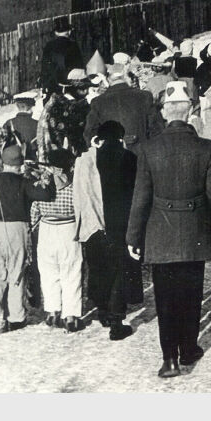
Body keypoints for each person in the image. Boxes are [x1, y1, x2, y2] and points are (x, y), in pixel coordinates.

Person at [126, 81, 211, 379]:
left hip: (160, 233)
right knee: (191, 292)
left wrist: (133, 236)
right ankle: (188, 347)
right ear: (190, 111)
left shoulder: (148, 148)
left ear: (164, 112)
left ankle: (169, 358)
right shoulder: (207, 149)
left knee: (165, 297)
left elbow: (141, 197)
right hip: (195, 231)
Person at [0, 144, 53, 333]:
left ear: (2, 163)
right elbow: (46, 194)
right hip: (17, 229)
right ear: (20, 164)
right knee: (16, 271)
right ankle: (16, 317)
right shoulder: (24, 182)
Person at [73, 121, 138, 340]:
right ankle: (117, 320)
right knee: (119, 270)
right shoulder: (129, 158)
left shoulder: (86, 161)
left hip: (93, 224)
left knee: (99, 268)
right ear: (121, 138)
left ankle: (102, 311)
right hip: (120, 224)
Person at [30, 148, 84, 332]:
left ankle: (52, 311)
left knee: (48, 271)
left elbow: (34, 211)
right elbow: (80, 209)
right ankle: (71, 315)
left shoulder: (41, 184)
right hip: (69, 229)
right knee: (71, 271)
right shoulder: (74, 184)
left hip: (47, 229)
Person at [84, 64, 163, 153]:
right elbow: (157, 129)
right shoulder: (144, 96)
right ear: (127, 77)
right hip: (142, 154)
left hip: (113, 156)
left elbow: (90, 134)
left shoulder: (98, 102)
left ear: (108, 79)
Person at [37, 69, 91, 160]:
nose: (87, 92)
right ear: (73, 88)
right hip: (66, 157)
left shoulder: (53, 105)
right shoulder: (64, 107)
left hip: (62, 156)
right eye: (83, 88)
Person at [40, 17, 84, 97]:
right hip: (71, 89)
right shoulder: (73, 45)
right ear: (69, 32)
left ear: (56, 33)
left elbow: (44, 70)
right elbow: (79, 69)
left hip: (52, 89)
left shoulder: (48, 46)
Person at [3, 90, 39, 161]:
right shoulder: (37, 124)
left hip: (13, 160)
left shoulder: (9, 123)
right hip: (33, 161)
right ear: (29, 108)